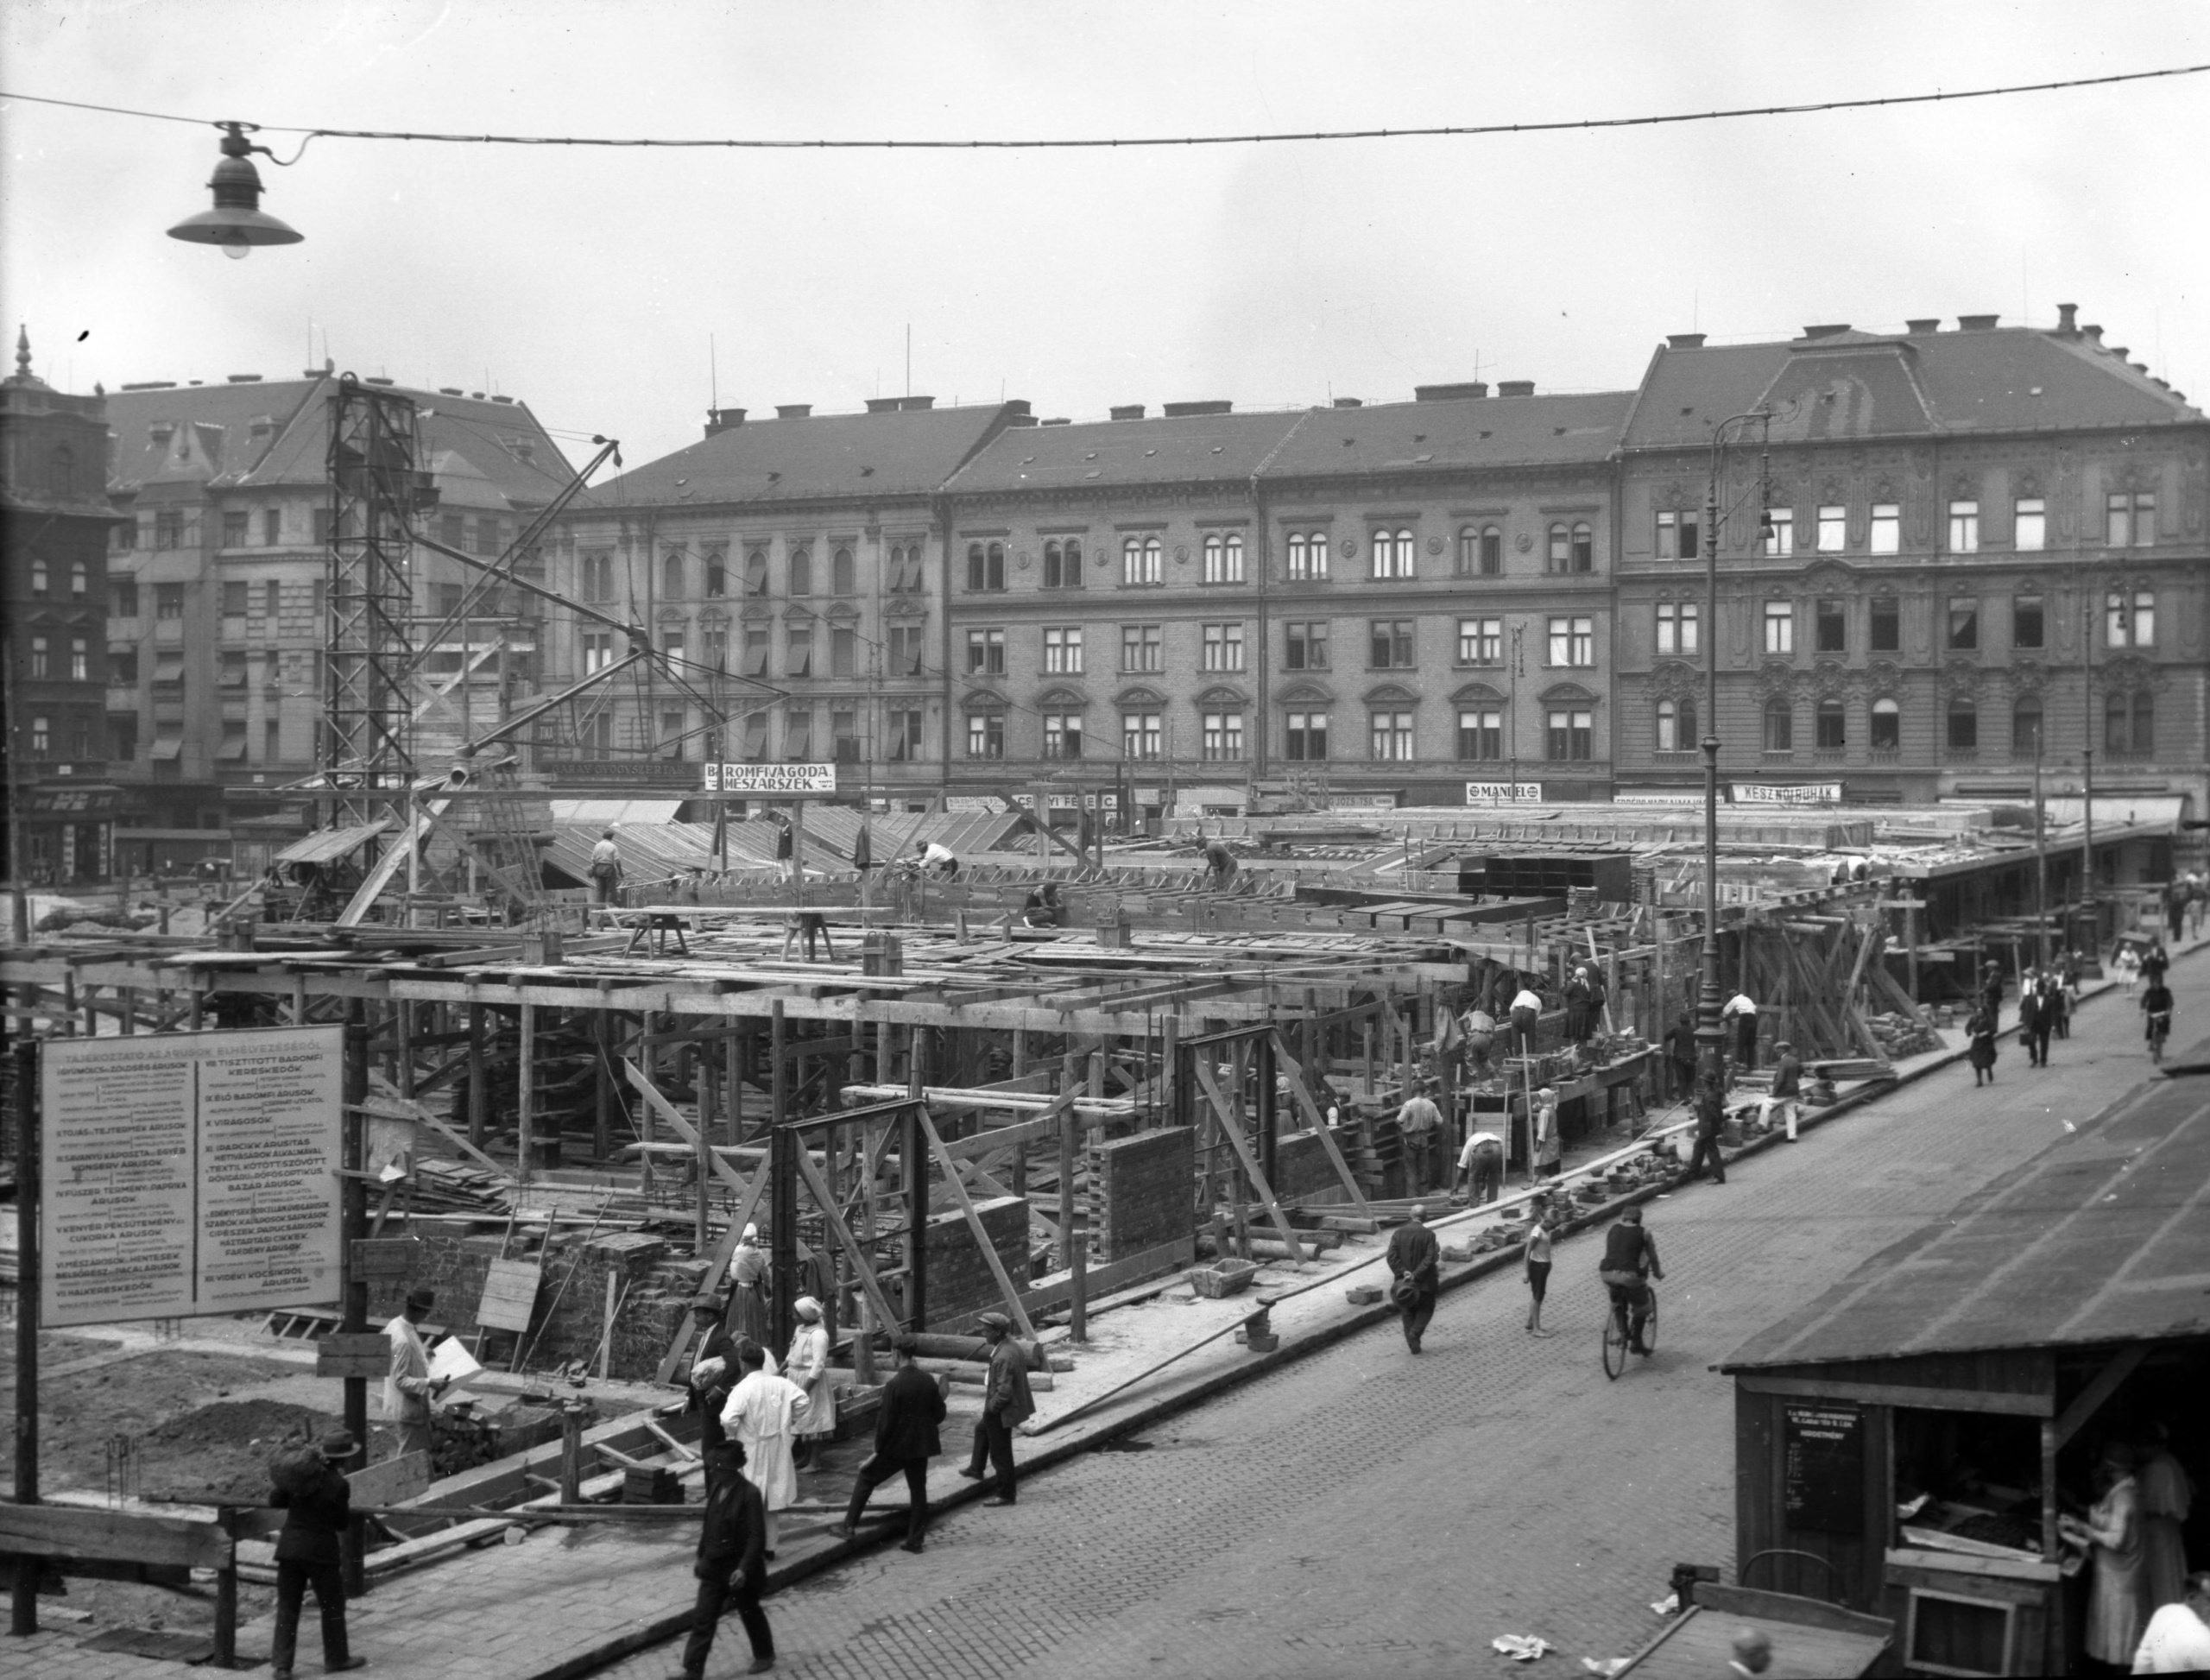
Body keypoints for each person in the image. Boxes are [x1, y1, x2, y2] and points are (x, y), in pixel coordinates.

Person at [832, 1334, 945, 1553]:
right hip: (920, 1447)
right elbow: (939, 1414)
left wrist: (876, 1451)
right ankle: (915, 1541)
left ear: (896, 1354)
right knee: (918, 1492)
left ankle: (849, 1526)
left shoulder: (894, 1385)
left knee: (866, 1477)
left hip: (896, 1447)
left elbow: (885, 1424)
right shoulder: (928, 1380)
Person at [672, 1439, 775, 1678]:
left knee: (749, 1611)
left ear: (729, 1470)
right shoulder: (717, 1489)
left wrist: (743, 1569)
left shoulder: (750, 1494)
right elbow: (709, 1524)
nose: (712, 1471)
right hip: (714, 1566)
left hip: (737, 1569)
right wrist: (701, 1556)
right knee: (703, 1618)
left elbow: (756, 1536)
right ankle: (692, 1671)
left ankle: (764, 1655)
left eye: (716, 1468)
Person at [268, 1433, 365, 1680]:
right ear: (344, 1459)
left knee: (288, 1607)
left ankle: (282, 1666)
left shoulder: (300, 1475)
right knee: (332, 1606)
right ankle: (336, 1659)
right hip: (321, 1553)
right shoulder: (339, 1484)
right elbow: (341, 1524)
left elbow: (275, 1500)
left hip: (289, 1549)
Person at [2062, 1442, 2150, 1672]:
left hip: (2120, 1576)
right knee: (2120, 1635)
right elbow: (2113, 1524)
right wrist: (2082, 1520)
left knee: (2121, 1636)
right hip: (2119, 1573)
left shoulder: (2124, 1497)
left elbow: (2116, 1540)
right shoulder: (2126, 1489)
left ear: (2109, 1467)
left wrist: (2084, 1529)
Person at [720, 1342, 811, 1557]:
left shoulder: (743, 1389)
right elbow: (803, 1401)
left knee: (750, 1499)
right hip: (777, 1446)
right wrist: (787, 1422)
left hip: (752, 1448)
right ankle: (769, 1547)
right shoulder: (780, 1383)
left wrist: (733, 1435)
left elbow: (727, 1418)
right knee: (770, 1500)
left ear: (743, 1363)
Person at [959, 1311, 1034, 1504]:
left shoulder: (1003, 1356)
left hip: (1001, 1411)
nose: (984, 1334)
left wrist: (991, 1409)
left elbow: (1004, 1393)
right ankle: (976, 1468)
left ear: (998, 1332)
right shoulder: (1010, 1346)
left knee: (1001, 1453)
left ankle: (1005, 1494)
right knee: (981, 1429)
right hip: (1001, 1408)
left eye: (987, 1331)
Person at [380, 1287, 448, 1462]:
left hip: (407, 1406)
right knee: (409, 1461)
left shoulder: (396, 1325)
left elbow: (394, 1356)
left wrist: (421, 1352)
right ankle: (397, 1488)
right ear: (421, 1312)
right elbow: (401, 1380)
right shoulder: (403, 1340)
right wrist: (430, 1382)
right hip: (409, 1409)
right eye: (426, 1313)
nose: (426, 1317)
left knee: (420, 1457)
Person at [2138, 1423, 2195, 1609]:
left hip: (2158, 1531)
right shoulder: (2169, 1461)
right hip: (2167, 1530)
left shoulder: (2159, 1467)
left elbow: (2151, 1505)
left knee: (2162, 1577)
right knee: (2170, 1575)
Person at [1597, 1205, 1663, 1356]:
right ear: (1639, 1220)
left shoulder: (1613, 1229)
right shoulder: (1644, 1233)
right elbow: (1652, 1256)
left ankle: (1623, 1331)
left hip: (1606, 1274)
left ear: (1623, 1217)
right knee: (1643, 1307)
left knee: (1618, 1302)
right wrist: (1658, 1273)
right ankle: (1636, 1342)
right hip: (1629, 1277)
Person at [784, 1297, 835, 1470]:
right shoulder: (800, 1329)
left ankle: (815, 1462)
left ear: (805, 1314)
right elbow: (791, 1353)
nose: (793, 1316)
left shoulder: (819, 1334)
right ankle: (806, 1457)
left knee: (813, 1420)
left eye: (796, 1313)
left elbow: (818, 1363)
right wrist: (780, 1370)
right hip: (795, 1377)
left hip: (811, 1381)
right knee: (802, 1420)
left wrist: (805, 1388)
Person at [1384, 1203, 1442, 1354]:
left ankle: (1412, 1342)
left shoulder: (1398, 1233)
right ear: (1425, 1217)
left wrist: (1404, 1273)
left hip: (1404, 1284)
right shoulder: (1429, 1234)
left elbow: (1391, 1257)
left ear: (1410, 1215)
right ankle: (1415, 1333)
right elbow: (1429, 1258)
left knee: (1407, 1310)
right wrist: (1416, 1274)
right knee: (1427, 1308)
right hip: (1425, 1282)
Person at [2131, 1571, 2210, 1674]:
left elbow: (2143, 1663)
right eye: (2209, 1599)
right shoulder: (2193, 1635)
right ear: (2192, 1598)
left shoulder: (2164, 1613)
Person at [723, 1225, 769, 1348]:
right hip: (753, 1290)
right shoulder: (759, 1253)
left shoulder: (737, 1250)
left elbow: (733, 1271)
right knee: (753, 1319)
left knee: (738, 1317)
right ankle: (754, 1343)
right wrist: (768, 1286)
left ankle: (736, 1343)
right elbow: (765, 1273)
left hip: (739, 1289)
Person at [1396, 1081, 1444, 1189]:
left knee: (1411, 1170)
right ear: (1424, 1090)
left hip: (1410, 1139)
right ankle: (1424, 1196)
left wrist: (1403, 1126)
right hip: (1424, 1139)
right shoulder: (1431, 1105)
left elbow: (1399, 1120)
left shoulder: (1409, 1104)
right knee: (1423, 1169)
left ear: (1413, 1090)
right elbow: (1440, 1121)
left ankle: (1411, 1199)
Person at [1685, 1071, 1727, 1185]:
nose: (1702, 1081)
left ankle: (1718, 1176)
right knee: (1699, 1146)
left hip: (1707, 1127)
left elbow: (1712, 1113)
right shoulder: (1713, 1093)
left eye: (1703, 1080)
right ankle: (1693, 1173)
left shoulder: (1709, 1096)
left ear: (1706, 1082)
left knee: (1712, 1151)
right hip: (1708, 1126)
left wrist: (1713, 1126)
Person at [1523, 1196, 1556, 1337]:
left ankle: (1531, 1322)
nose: (1553, 1228)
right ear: (1547, 1221)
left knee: (1540, 1294)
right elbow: (1527, 1251)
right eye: (1552, 1225)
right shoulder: (1537, 1233)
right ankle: (1536, 1329)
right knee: (1537, 1297)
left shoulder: (1545, 1229)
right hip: (1537, 1267)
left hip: (1543, 1266)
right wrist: (1526, 1272)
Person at [1455, 1125, 1506, 1206]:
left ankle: (1474, 1204)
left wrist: (1455, 1186)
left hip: (1481, 1150)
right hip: (1497, 1148)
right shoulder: (1493, 1136)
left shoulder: (1471, 1140)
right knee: (1493, 1177)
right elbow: (1498, 1151)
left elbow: (1462, 1165)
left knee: (1472, 1178)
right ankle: (1492, 1203)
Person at [1765, 1041, 1803, 1141]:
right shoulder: (1795, 1059)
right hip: (1794, 1090)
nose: (1776, 1052)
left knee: (1766, 1104)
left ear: (1782, 1050)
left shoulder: (1783, 1062)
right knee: (1791, 1113)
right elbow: (1800, 1073)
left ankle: (1763, 1127)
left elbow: (1780, 1079)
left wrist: (1774, 1092)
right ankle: (1792, 1137)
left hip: (1784, 1091)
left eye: (1777, 1050)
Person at [1721, 988, 1759, 1075]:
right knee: (1751, 1043)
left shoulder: (1735, 1000)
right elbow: (1754, 1008)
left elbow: (1725, 1011)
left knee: (1741, 1042)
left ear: (1731, 996)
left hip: (1745, 1018)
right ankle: (1750, 1064)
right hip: (1753, 1019)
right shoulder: (1747, 999)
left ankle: (1741, 1062)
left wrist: (1725, 1019)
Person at [1664, 1012, 1697, 1104]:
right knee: (1691, 1079)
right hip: (1691, 1057)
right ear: (1689, 1021)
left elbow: (1666, 1038)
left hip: (1680, 1058)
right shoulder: (1694, 1030)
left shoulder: (1676, 1030)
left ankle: (1683, 1099)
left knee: (1681, 1079)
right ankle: (1691, 1097)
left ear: (1680, 1022)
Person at [590, 826, 624, 907]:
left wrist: (593, 869)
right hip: (609, 868)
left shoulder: (597, 846)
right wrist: (620, 872)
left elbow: (593, 859)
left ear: (603, 837)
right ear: (611, 838)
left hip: (598, 868)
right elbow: (617, 861)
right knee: (610, 890)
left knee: (600, 890)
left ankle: (599, 909)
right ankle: (608, 909)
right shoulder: (612, 846)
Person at [1966, 1002, 1998, 1087]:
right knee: (1976, 1061)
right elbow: (1968, 1027)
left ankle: (1989, 1069)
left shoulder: (1989, 1019)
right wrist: (1971, 1033)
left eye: (1981, 1012)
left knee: (1986, 1060)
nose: (1979, 1013)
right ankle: (1979, 1080)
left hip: (1987, 1042)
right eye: (1978, 1012)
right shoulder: (1973, 1019)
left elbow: (1994, 1029)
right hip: (1977, 1042)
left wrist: (1985, 1033)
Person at [1509, 982, 1544, 1058]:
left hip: (1516, 1012)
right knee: (1530, 1037)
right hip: (1529, 1013)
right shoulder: (1538, 1001)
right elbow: (1536, 1016)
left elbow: (1511, 1009)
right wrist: (1534, 1025)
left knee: (1516, 1038)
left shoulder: (1522, 993)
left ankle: (1518, 1059)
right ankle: (1529, 1058)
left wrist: (1513, 1019)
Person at [2017, 979, 2046, 1068]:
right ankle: (2034, 1059)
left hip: (2044, 1024)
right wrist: (2025, 1024)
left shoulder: (2047, 998)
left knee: (2044, 1043)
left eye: (2041, 988)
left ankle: (2043, 1060)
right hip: (2033, 1023)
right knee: (2031, 1042)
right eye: (2038, 988)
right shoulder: (2030, 998)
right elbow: (2026, 1012)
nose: (2039, 990)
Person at [1461, 1002, 1497, 1075]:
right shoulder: (1491, 1020)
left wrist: (1465, 1034)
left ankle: (1476, 1081)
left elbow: (1459, 1021)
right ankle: (1495, 1076)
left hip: (1476, 1036)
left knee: (1470, 1059)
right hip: (1488, 1038)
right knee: (1484, 1060)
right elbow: (1493, 1037)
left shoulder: (1476, 1013)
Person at [2142, 978, 2175, 1056]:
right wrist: (2142, 1008)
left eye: (2159, 984)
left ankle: (2163, 1035)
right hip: (2152, 1011)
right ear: (2153, 984)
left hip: (2162, 1011)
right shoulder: (2149, 991)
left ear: (2161, 985)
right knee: (2150, 1026)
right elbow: (2144, 999)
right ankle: (2151, 1041)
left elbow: (2169, 1000)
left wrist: (2169, 1009)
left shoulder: (2166, 991)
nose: (2157, 986)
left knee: (2165, 1023)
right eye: (2155, 984)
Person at [1564, 966, 1595, 1044]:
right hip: (1584, 1011)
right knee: (1583, 1034)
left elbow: (1566, 993)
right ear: (1586, 975)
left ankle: (1572, 1052)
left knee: (1573, 1034)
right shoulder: (1587, 984)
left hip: (1574, 1011)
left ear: (1576, 975)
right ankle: (1583, 1052)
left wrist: (1570, 983)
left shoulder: (1574, 983)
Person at [771, 812, 797, 885]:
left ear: (786, 821)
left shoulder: (790, 830)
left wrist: (791, 854)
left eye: (782, 821)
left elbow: (792, 843)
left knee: (789, 869)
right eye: (779, 821)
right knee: (783, 870)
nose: (780, 823)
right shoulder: (781, 831)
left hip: (788, 854)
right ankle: (784, 883)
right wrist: (779, 855)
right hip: (782, 854)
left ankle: (791, 883)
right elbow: (780, 844)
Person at [2165, 877, 2190, 944]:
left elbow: (2184, 899)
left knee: (2177, 924)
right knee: (2176, 924)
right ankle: (2176, 938)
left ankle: (2177, 938)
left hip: (2177, 908)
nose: (2173, 883)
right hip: (2175, 907)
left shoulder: (2180, 890)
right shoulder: (2175, 889)